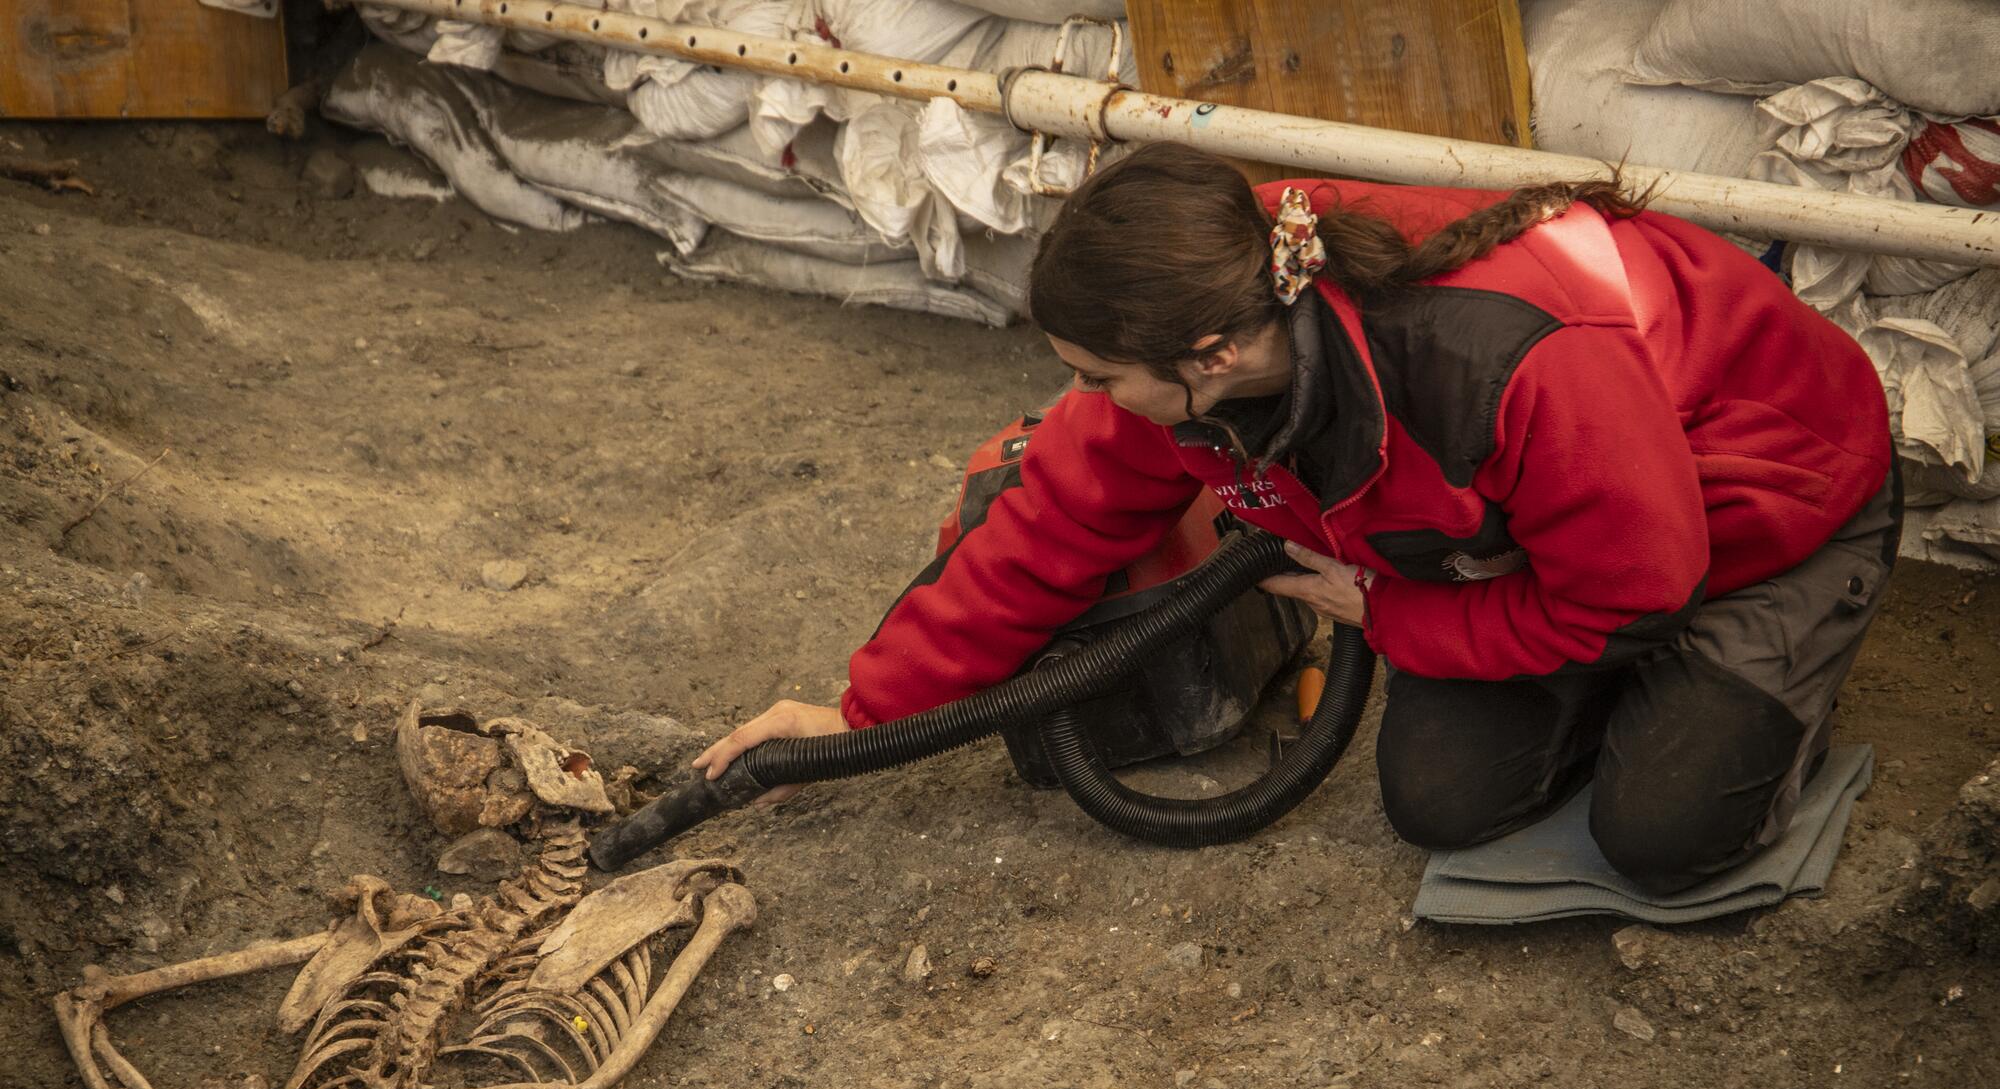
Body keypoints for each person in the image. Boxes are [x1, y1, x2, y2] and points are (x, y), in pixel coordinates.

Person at [693, 143, 1899, 894]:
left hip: (1758, 519)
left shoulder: (1505, 359)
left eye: (1100, 376)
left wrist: (1393, 614)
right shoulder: (1227, 285)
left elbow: (1633, 593)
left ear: (1208, 356)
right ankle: (1617, 686)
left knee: (1665, 836)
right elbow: (1048, 522)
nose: (1087, 399)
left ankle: (1779, 669)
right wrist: (856, 717)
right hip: (1539, 545)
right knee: (1441, 805)